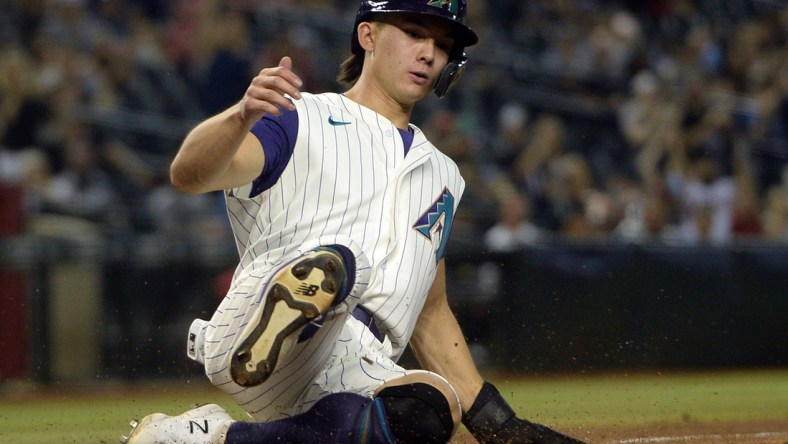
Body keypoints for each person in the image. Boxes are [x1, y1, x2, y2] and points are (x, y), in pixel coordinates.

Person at [122, 1, 585, 443]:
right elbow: (188, 175)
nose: (428, 52)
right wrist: (239, 116)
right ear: (368, 34)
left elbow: (429, 313)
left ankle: (215, 438)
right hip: (262, 330)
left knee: (432, 409)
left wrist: (497, 423)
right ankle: (303, 298)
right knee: (339, 265)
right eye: (414, 32)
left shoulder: (444, 176)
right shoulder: (300, 117)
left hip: (358, 366)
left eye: (442, 45)